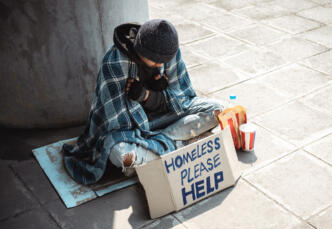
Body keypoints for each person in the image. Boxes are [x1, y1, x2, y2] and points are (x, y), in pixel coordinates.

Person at [62, 19, 222, 185]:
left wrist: (150, 96)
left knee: (216, 110)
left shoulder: (169, 52)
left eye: (164, 61)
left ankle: (159, 148)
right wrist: (139, 98)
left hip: (163, 119)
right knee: (122, 156)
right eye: (155, 61)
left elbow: (182, 100)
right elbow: (118, 124)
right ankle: (179, 143)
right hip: (131, 128)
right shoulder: (114, 63)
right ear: (141, 50)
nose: (161, 65)